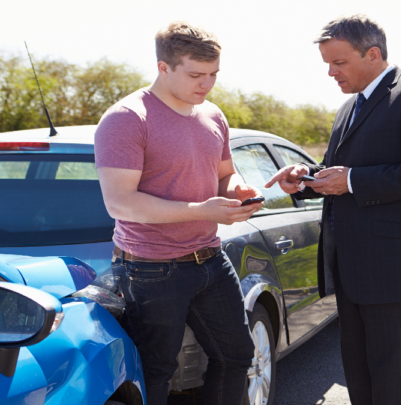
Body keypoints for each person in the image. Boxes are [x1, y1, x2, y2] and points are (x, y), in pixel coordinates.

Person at [265, 14, 401, 405]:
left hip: (396, 273)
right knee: (362, 383)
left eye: (339, 62)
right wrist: (305, 178)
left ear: (372, 54)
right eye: (327, 65)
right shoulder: (347, 108)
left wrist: (352, 180)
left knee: (394, 387)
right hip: (351, 272)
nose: (331, 73)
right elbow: (339, 172)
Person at [94, 21, 262, 405]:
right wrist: (202, 209)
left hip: (211, 259)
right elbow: (120, 202)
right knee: (156, 371)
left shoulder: (213, 115)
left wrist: (238, 191)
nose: (206, 84)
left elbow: (225, 174)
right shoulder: (127, 118)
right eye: (196, 74)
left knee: (237, 355)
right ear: (164, 67)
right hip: (151, 268)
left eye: (214, 75)